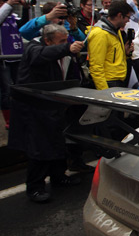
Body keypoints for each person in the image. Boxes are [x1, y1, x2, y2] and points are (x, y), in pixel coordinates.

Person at [9, 24, 85, 202]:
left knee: (57, 143)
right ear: (47, 40)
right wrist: (66, 48)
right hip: (35, 107)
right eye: (61, 41)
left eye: (66, 41)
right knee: (39, 148)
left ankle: (59, 176)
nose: (65, 44)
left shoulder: (60, 52)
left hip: (54, 105)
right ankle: (35, 187)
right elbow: (42, 56)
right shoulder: (34, 49)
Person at [87, 1, 134, 90]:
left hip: (118, 80)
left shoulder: (116, 31)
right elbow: (96, 67)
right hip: (108, 83)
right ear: (120, 15)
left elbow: (112, 57)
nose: (128, 21)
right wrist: (104, 92)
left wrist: (126, 54)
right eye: (128, 17)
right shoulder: (100, 34)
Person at [0, 0, 24, 129]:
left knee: (20, 87)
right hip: (3, 59)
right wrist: (8, 4)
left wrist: (25, 9)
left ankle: (20, 115)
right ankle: (9, 120)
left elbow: (24, 26)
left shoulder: (14, 18)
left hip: (18, 57)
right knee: (6, 90)